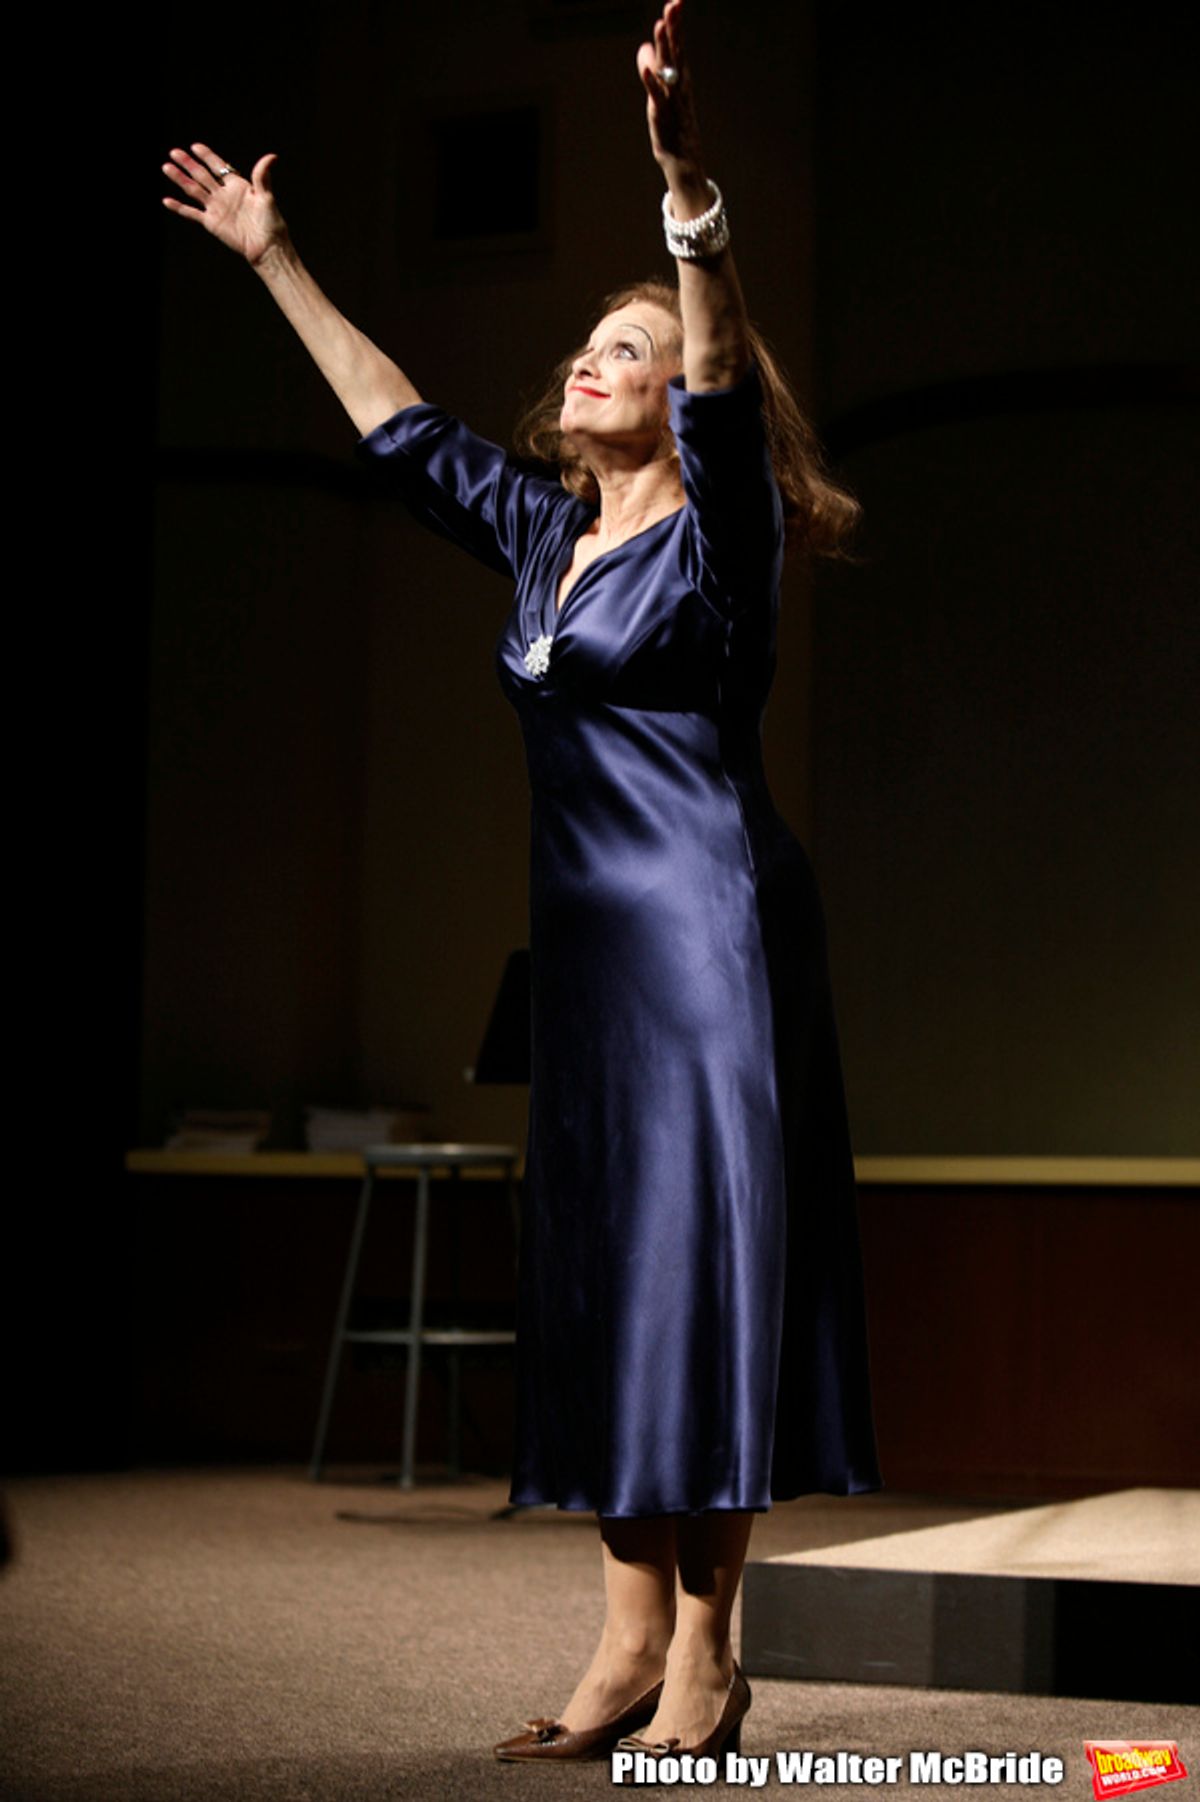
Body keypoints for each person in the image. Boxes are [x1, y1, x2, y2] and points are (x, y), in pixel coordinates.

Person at [162, 0, 880, 1765]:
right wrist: (278, 260)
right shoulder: (546, 536)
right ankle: (629, 1635)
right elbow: (397, 421)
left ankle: (712, 1649)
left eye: (626, 347)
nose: (597, 358)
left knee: (699, 1283)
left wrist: (684, 196)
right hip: (590, 961)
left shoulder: (725, 544)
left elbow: (719, 374)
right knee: (609, 1281)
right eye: (589, 341)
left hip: (714, 940)